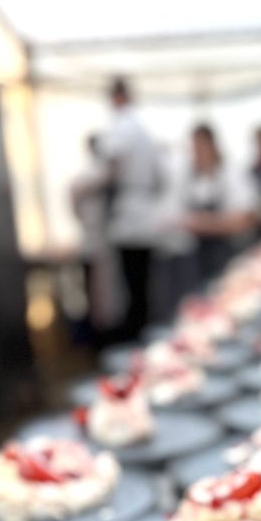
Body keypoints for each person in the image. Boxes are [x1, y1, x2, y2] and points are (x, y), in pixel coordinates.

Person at [101, 76, 164, 342]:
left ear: (116, 97)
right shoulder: (143, 129)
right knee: (143, 285)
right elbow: (159, 177)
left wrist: (92, 185)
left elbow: (112, 164)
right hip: (145, 213)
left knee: (132, 286)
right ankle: (144, 335)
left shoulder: (121, 125)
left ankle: (134, 342)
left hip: (129, 215)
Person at [178, 124, 254, 285]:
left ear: (211, 145)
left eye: (199, 147)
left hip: (227, 255)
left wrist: (204, 223)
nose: (195, 153)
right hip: (198, 258)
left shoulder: (231, 173)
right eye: (193, 148)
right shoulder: (192, 178)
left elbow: (244, 220)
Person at [69, 134, 119, 340]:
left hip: (102, 242)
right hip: (94, 242)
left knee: (106, 296)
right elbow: (76, 194)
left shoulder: (97, 174)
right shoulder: (92, 175)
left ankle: (104, 333)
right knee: (98, 296)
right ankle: (99, 336)